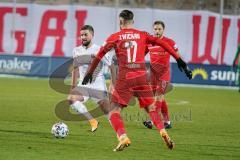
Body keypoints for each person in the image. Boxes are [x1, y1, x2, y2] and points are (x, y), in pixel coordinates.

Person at [82, 10, 192, 151]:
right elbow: (163, 44)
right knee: (151, 108)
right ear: (132, 22)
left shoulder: (115, 37)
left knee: (114, 111)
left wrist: (89, 72)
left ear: (121, 22)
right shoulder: (142, 34)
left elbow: (99, 55)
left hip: (124, 77)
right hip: (141, 76)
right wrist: (179, 60)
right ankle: (163, 131)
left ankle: (123, 137)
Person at [67, 25, 112, 132]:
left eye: (85, 35)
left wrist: (112, 85)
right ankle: (93, 121)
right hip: (84, 85)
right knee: (71, 99)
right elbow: (75, 69)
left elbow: (111, 66)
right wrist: (73, 87)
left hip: (98, 86)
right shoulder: (76, 50)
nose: (83, 37)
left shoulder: (99, 50)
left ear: (92, 35)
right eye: (81, 35)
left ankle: (119, 131)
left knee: (109, 113)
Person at [143, 20, 180, 129]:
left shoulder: (170, 42)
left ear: (163, 30)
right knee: (161, 98)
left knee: (158, 97)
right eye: (155, 29)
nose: (157, 31)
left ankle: (152, 120)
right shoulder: (149, 42)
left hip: (164, 74)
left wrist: (184, 67)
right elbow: (142, 54)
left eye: (159, 29)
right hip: (153, 75)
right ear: (153, 29)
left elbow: (177, 56)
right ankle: (167, 122)